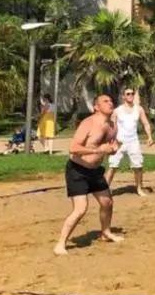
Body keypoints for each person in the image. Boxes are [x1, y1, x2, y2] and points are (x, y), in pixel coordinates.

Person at [53, 94, 124, 256]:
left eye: (111, 101)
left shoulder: (113, 126)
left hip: (95, 171)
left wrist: (113, 150)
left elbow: (109, 148)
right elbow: (73, 148)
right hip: (77, 170)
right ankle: (60, 244)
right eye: (105, 101)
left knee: (107, 202)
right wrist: (98, 150)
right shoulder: (88, 123)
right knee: (80, 209)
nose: (110, 103)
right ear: (96, 107)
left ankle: (105, 233)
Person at [106, 87, 154, 196]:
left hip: (133, 141)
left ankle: (139, 189)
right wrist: (111, 141)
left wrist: (149, 137)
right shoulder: (117, 111)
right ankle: (104, 189)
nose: (131, 95)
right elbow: (111, 127)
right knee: (113, 166)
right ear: (123, 96)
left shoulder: (139, 109)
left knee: (138, 166)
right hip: (119, 141)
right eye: (128, 94)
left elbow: (145, 123)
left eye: (132, 93)